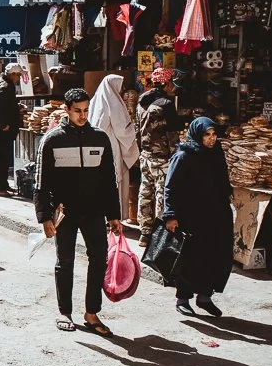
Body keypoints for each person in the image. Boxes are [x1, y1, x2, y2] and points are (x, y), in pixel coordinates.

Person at [34, 88, 123, 337]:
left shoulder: (100, 138)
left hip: (94, 212)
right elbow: (41, 183)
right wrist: (44, 217)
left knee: (99, 260)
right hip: (65, 213)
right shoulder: (52, 140)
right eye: (77, 111)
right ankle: (65, 312)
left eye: (86, 110)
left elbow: (109, 180)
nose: (82, 116)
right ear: (67, 110)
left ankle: (92, 313)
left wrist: (113, 215)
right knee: (66, 262)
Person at [162, 117, 233, 317]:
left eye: (213, 134)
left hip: (216, 215)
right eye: (206, 135)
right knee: (190, 258)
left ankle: (204, 297)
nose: (211, 139)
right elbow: (171, 187)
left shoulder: (216, 154)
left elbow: (222, 182)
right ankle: (183, 299)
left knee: (213, 256)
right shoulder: (184, 156)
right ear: (197, 135)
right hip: (191, 217)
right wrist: (170, 215)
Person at [136, 67, 184, 244]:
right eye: (172, 82)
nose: (174, 86)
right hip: (162, 157)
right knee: (162, 194)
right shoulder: (166, 104)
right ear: (167, 83)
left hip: (145, 155)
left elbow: (137, 130)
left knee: (145, 192)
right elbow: (172, 134)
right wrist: (176, 156)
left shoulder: (142, 102)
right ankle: (159, 235)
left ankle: (145, 233)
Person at [88, 74, 139, 223]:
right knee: (114, 180)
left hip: (98, 147)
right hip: (112, 145)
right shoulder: (114, 103)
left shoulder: (95, 101)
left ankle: (102, 216)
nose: (122, 90)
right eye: (120, 86)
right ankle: (113, 216)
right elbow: (122, 129)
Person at [0, 63, 25, 197]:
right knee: (2, 158)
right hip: (1, 130)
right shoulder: (5, 86)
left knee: (3, 157)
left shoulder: (0, 82)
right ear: (12, 74)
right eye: (18, 75)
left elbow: (3, 104)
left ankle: (3, 184)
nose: (19, 78)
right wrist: (4, 125)